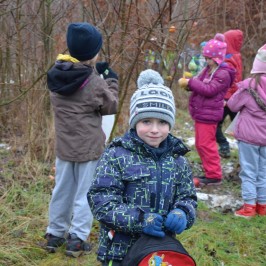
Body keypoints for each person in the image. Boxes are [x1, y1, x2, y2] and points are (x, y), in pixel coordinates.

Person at [87, 69, 197, 265]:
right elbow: (101, 201)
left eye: (162, 122)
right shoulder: (117, 155)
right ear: (135, 122)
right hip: (120, 251)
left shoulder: (177, 159)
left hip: (159, 252)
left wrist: (183, 212)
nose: (155, 130)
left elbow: (187, 196)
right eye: (146, 121)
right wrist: (140, 220)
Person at [45, 22, 119, 257]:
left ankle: (55, 233)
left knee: (62, 190)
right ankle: (77, 239)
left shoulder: (56, 74)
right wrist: (111, 80)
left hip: (64, 147)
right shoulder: (95, 82)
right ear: (93, 53)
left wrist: (95, 73)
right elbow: (111, 105)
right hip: (88, 149)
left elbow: (78, 90)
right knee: (85, 193)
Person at [178, 33, 235, 186]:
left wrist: (191, 83)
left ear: (217, 58)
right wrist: (189, 85)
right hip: (202, 113)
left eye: (209, 58)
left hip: (209, 114)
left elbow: (209, 90)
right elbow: (200, 84)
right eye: (206, 58)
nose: (207, 61)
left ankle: (214, 175)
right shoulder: (209, 70)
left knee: (206, 144)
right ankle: (209, 171)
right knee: (200, 144)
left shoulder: (223, 73)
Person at [227, 44, 266, 218]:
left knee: (249, 171)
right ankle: (263, 206)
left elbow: (232, 105)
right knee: (264, 171)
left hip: (249, 138)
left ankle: (249, 206)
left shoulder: (249, 86)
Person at [216, 29, 244, 158]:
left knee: (215, 125)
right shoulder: (237, 56)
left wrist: (226, 97)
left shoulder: (228, 58)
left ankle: (224, 146)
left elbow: (231, 80)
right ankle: (245, 150)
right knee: (238, 127)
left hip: (227, 99)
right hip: (236, 98)